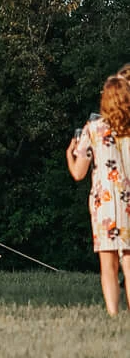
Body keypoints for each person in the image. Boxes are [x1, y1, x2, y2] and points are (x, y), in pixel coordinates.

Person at [66, 68, 130, 317]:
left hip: (104, 203)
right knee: (128, 261)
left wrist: (69, 156)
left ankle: (113, 314)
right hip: (128, 200)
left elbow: (79, 173)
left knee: (108, 264)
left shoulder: (94, 128)